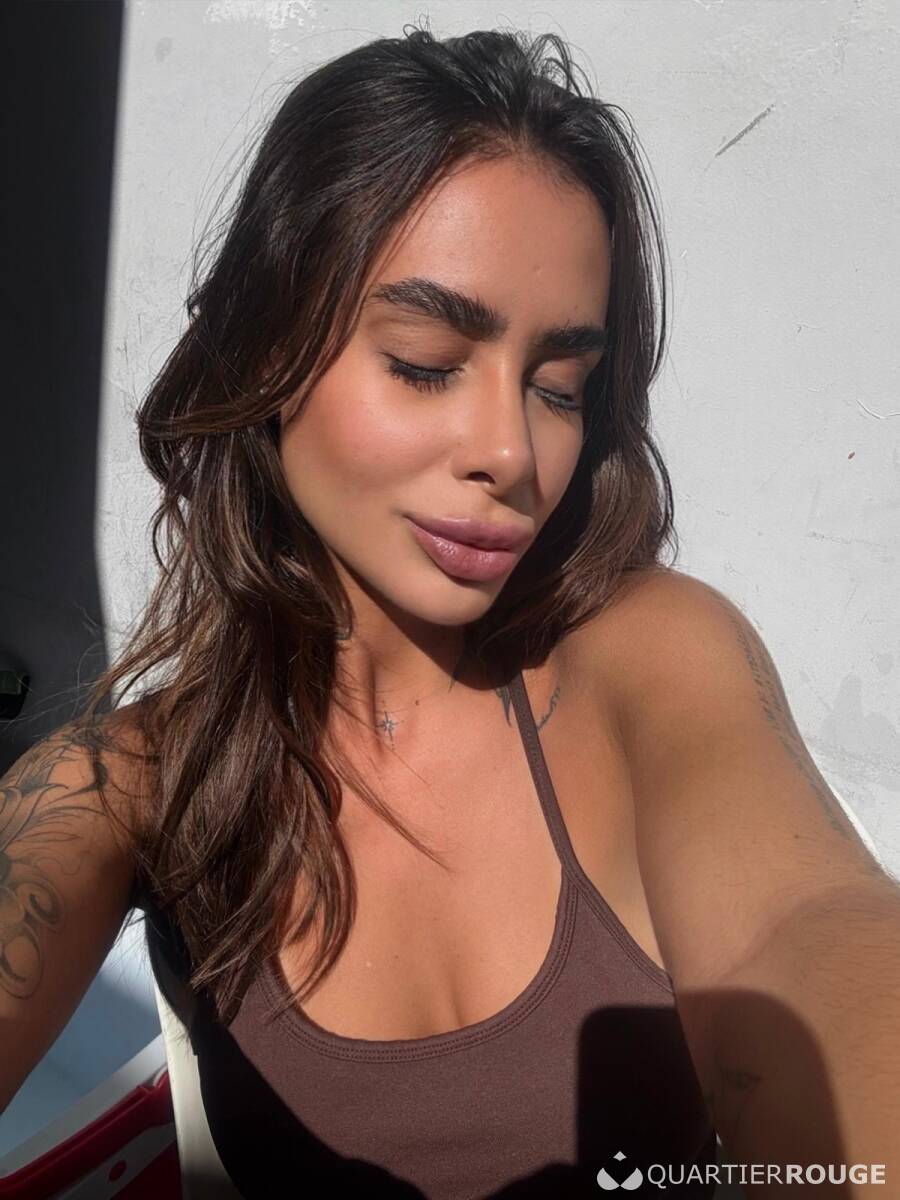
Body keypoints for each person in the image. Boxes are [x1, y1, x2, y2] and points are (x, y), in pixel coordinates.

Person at [2, 22, 898, 1200]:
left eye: (559, 386)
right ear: (266, 354)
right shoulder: (138, 783)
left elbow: (810, 925)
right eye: (427, 361)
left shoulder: (649, 659)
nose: (511, 452)